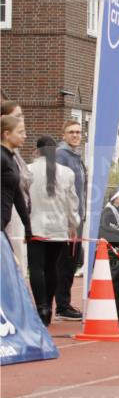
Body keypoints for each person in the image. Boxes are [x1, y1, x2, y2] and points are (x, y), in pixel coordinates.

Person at [27, 136, 80, 327]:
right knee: (52, 268)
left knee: (36, 267)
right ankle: (48, 305)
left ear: (37, 151)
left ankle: (41, 305)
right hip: (58, 227)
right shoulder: (67, 173)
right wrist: (73, 224)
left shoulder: (29, 170)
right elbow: (72, 202)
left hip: (35, 226)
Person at [54, 120, 87, 321]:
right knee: (65, 261)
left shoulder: (76, 156)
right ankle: (62, 305)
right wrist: (68, 219)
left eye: (78, 132)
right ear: (64, 134)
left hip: (78, 216)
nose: (75, 135)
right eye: (71, 132)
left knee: (72, 260)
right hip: (68, 219)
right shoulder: (61, 156)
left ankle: (63, 303)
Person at [1, 100, 31, 273]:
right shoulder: (2, 158)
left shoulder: (12, 158)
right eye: (20, 132)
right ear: (6, 134)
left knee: (14, 268)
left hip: (5, 224)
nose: (25, 136)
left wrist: (28, 226)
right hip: (2, 226)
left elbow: (17, 194)